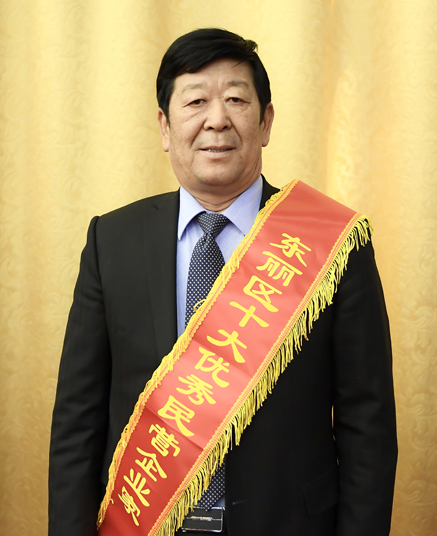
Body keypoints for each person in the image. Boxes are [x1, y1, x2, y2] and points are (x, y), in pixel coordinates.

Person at [49, 28, 397, 536]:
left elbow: (368, 426)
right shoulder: (113, 241)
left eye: (236, 99)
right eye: (196, 102)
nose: (217, 119)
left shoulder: (332, 243)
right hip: (142, 524)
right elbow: (77, 422)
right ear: (165, 127)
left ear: (266, 122)